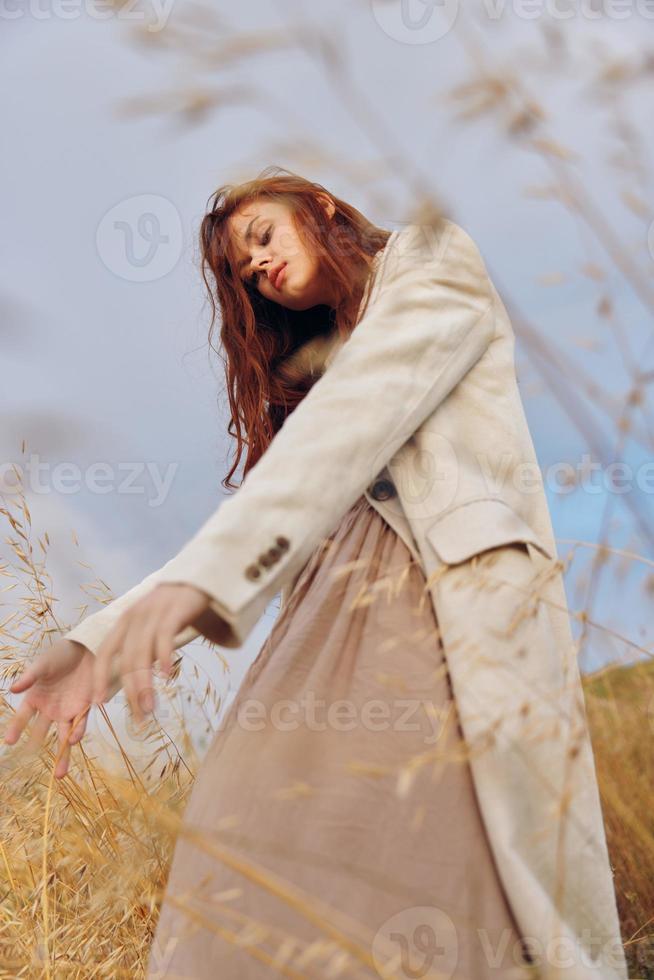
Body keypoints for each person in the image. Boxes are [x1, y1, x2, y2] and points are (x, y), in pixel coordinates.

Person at [3, 167, 627, 979]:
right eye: (242, 272)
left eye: (261, 237)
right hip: (324, 610)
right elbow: (269, 503)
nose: (256, 268)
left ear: (321, 208)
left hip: (441, 606)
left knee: (438, 855)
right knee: (240, 832)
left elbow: (360, 412)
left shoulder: (433, 263)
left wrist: (206, 587)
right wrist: (101, 646)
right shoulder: (315, 370)